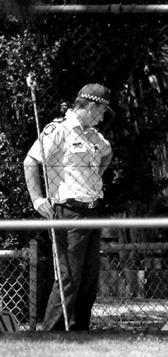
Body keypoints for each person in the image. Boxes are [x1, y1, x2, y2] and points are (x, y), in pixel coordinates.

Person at [24, 83, 114, 331]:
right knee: (68, 277)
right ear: (91, 106)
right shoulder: (59, 131)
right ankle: (51, 333)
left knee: (88, 280)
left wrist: (95, 178)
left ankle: (79, 332)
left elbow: (107, 153)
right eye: (102, 111)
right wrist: (38, 199)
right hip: (69, 212)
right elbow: (31, 161)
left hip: (93, 211)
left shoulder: (93, 136)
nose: (103, 117)